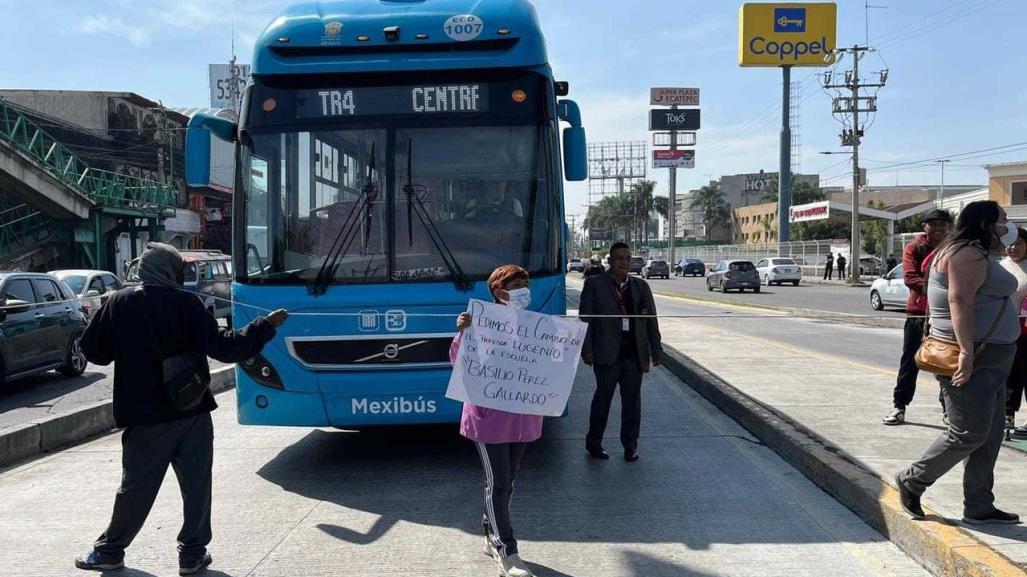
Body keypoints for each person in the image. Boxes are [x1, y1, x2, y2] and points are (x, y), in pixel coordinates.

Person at [74, 243, 288, 575]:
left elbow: (96, 353)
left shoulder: (118, 303)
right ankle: (192, 555)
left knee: (136, 487)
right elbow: (226, 349)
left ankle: (110, 551)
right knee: (197, 486)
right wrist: (265, 326)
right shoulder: (189, 304)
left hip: (144, 418)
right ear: (174, 271)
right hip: (191, 410)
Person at [896, 201, 1021, 525]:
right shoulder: (966, 253)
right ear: (984, 224)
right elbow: (959, 300)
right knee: (967, 432)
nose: (1008, 227)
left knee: (990, 434)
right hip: (972, 354)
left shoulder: (974, 251)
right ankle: (913, 480)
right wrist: (966, 351)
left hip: (992, 354)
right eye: (1002, 220)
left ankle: (979, 505)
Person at [453, 265, 540, 577]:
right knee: (499, 482)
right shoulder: (481, 320)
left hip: (523, 419)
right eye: (516, 284)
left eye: (525, 283)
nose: (523, 289)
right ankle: (508, 552)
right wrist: (464, 332)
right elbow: (459, 361)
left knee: (506, 482)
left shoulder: (536, 325)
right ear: (499, 291)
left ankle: (490, 535)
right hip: (488, 419)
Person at [579, 241, 663, 461]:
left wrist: (656, 348)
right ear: (610, 260)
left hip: (633, 355)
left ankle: (630, 446)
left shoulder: (641, 287)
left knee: (632, 403)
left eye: (627, 258)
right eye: (619, 258)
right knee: (602, 401)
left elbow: (651, 320)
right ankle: (594, 443)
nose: (623, 262)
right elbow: (585, 320)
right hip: (606, 355)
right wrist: (586, 351)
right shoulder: (595, 285)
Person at [883, 209, 953, 426]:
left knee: (946, 364)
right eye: (934, 224)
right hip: (919, 314)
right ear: (925, 227)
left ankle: (949, 410)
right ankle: (899, 406)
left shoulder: (955, 248)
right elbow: (910, 277)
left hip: (947, 315)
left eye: (943, 224)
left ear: (949, 227)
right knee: (910, 361)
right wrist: (939, 292)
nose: (939, 228)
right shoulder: (915, 247)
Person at [1000, 228, 1027, 437]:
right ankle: (1008, 415)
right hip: (1007, 329)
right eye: (1010, 243)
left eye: (1018, 243)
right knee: (1010, 374)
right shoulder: (1001, 267)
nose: (1013, 248)